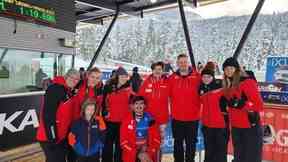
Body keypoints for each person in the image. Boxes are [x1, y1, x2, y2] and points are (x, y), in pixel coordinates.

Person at [222, 57, 264, 162]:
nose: (228, 71)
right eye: (226, 69)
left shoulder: (247, 82)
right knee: (239, 158)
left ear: (237, 69)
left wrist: (242, 104)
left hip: (250, 128)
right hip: (236, 128)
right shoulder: (228, 84)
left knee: (250, 158)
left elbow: (259, 105)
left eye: (231, 68)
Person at [36, 69, 80, 162]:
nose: (74, 81)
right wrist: (52, 138)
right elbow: (48, 115)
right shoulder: (55, 89)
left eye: (77, 79)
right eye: (72, 77)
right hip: (50, 137)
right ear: (66, 76)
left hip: (61, 137)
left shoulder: (67, 90)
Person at [168, 54, 201, 162]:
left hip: (193, 118)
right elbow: (164, 95)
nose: (183, 64)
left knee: (191, 144)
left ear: (188, 63)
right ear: (177, 63)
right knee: (178, 143)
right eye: (181, 62)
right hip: (177, 118)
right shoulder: (171, 78)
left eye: (185, 62)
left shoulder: (197, 77)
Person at [198, 62, 229, 162]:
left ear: (213, 77)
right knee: (209, 151)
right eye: (204, 77)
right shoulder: (201, 88)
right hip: (207, 125)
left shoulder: (220, 86)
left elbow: (230, 98)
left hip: (220, 126)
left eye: (208, 76)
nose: (206, 78)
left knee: (220, 152)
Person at [138, 61, 169, 160]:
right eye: (155, 69)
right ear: (152, 70)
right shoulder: (146, 82)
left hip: (162, 120)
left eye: (159, 69)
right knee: (146, 143)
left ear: (162, 70)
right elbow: (139, 98)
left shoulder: (167, 82)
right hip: (148, 119)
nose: (157, 71)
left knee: (158, 143)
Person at [102, 67, 133, 162]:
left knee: (120, 147)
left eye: (126, 76)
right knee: (107, 146)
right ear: (117, 77)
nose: (124, 78)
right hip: (110, 122)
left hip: (122, 123)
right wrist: (105, 112)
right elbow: (103, 102)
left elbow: (135, 102)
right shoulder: (108, 87)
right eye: (122, 76)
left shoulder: (129, 88)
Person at [120, 96, 161, 162]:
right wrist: (137, 154)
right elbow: (123, 143)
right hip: (131, 155)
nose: (139, 106)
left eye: (141, 103)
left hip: (147, 153)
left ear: (145, 106)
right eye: (136, 103)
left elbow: (157, 140)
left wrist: (149, 152)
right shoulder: (126, 121)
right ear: (132, 106)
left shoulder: (151, 120)